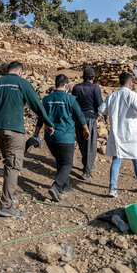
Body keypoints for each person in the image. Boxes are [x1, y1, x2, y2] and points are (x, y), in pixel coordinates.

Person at [0, 61, 55, 218]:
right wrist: (48, 123)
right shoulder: (22, 83)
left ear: (8, 71)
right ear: (20, 72)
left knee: (8, 161)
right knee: (13, 165)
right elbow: (37, 106)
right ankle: (6, 205)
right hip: (14, 130)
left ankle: (10, 194)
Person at [32, 74, 90, 202]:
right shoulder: (71, 99)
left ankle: (65, 186)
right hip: (65, 137)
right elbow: (80, 116)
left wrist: (36, 134)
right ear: (66, 85)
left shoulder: (46, 99)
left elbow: (40, 118)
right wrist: (86, 129)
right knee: (68, 164)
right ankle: (56, 187)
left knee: (60, 161)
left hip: (50, 138)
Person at [99, 71, 137, 197]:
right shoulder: (133, 95)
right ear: (130, 83)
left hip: (117, 133)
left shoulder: (112, 96)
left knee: (116, 160)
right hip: (132, 134)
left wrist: (108, 114)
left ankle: (112, 189)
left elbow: (101, 109)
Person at [71, 66, 104, 180]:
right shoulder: (95, 88)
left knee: (81, 142)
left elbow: (73, 103)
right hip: (90, 117)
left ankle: (87, 163)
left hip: (78, 118)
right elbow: (100, 105)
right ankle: (87, 170)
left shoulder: (76, 87)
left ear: (83, 77)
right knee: (90, 144)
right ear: (93, 78)